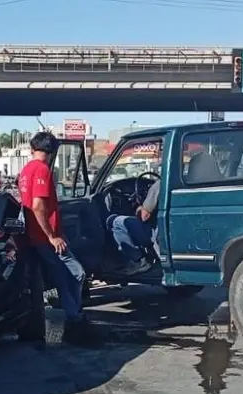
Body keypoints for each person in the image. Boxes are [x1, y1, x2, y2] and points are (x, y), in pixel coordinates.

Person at [18, 131, 102, 347]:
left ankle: (73, 313)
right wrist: (52, 236)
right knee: (75, 273)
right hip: (46, 239)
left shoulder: (25, 171)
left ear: (32, 149)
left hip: (36, 237)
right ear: (53, 151)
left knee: (65, 276)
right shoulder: (43, 170)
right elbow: (38, 206)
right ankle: (74, 317)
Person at [107, 178, 160, 275]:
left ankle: (139, 261)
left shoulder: (159, 185)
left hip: (155, 232)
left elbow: (144, 216)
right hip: (168, 231)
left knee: (115, 221)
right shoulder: (177, 182)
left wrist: (138, 207)